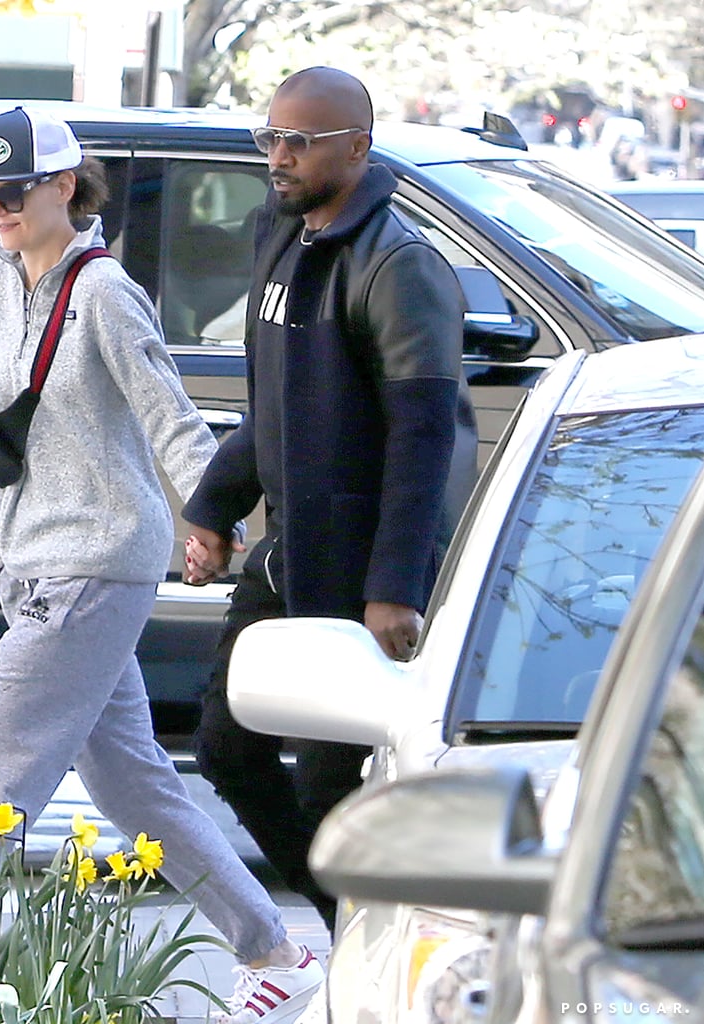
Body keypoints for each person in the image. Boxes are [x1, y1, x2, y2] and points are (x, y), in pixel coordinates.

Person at [0, 106, 324, 1024]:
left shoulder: (106, 291)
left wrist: (213, 519)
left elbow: (169, 417)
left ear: (63, 187)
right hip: (29, 561)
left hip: (96, 564)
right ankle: (275, 951)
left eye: (13, 190)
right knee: (133, 784)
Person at [182, 68, 479, 934]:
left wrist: (394, 585)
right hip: (287, 556)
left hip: (355, 575)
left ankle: (376, 944)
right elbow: (272, 410)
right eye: (268, 137)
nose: (278, 156)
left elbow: (425, 436)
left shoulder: (397, 262)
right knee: (225, 750)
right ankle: (351, 925)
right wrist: (212, 507)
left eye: (299, 141)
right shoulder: (277, 236)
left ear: (357, 144)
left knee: (326, 781)